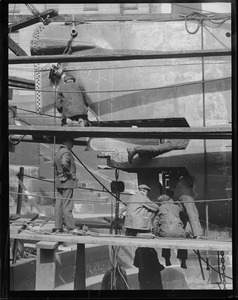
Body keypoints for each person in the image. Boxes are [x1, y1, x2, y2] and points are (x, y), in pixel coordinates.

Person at [53, 135, 80, 234]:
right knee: (67, 205)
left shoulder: (58, 152)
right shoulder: (66, 152)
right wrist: (67, 173)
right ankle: (71, 227)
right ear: (68, 142)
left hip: (59, 181)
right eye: (72, 144)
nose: (72, 146)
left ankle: (58, 227)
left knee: (58, 205)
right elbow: (65, 163)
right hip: (67, 181)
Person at [152, 194, 188, 269]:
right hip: (178, 233)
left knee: (165, 240)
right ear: (169, 200)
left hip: (166, 233)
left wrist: (155, 233)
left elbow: (155, 223)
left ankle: (167, 259)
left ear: (161, 202)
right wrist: (182, 228)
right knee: (182, 242)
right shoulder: (177, 207)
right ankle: (183, 260)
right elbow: (184, 217)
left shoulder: (160, 208)